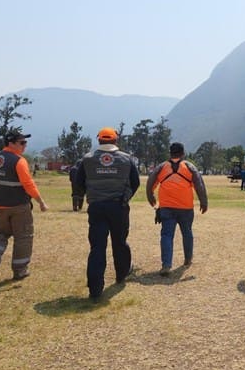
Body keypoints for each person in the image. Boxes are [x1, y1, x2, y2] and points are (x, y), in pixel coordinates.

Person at [76, 127, 140, 300]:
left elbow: (78, 181)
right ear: (115, 140)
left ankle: (95, 289)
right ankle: (121, 274)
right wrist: (125, 198)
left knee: (97, 247)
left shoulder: (87, 159)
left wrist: (91, 195)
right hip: (118, 207)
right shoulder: (126, 159)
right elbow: (135, 182)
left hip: (96, 207)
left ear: (99, 140)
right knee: (120, 242)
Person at [0, 129, 49, 282]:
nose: (25, 146)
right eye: (22, 142)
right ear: (11, 143)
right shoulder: (19, 160)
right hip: (19, 206)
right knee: (23, 237)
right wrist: (41, 202)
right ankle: (20, 271)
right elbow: (28, 184)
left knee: (0, 235)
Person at [146, 142, 208, 276]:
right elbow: (199, 184)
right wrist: (204, 202)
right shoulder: (189, 167)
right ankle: (188, 259)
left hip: (167, 207)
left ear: (170, 152)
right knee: (187, 232)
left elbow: (150, 182)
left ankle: (166, 265)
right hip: (185, 207)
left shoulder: (162, 167)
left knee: (166, 235)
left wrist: (150, 197)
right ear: (183, 153)